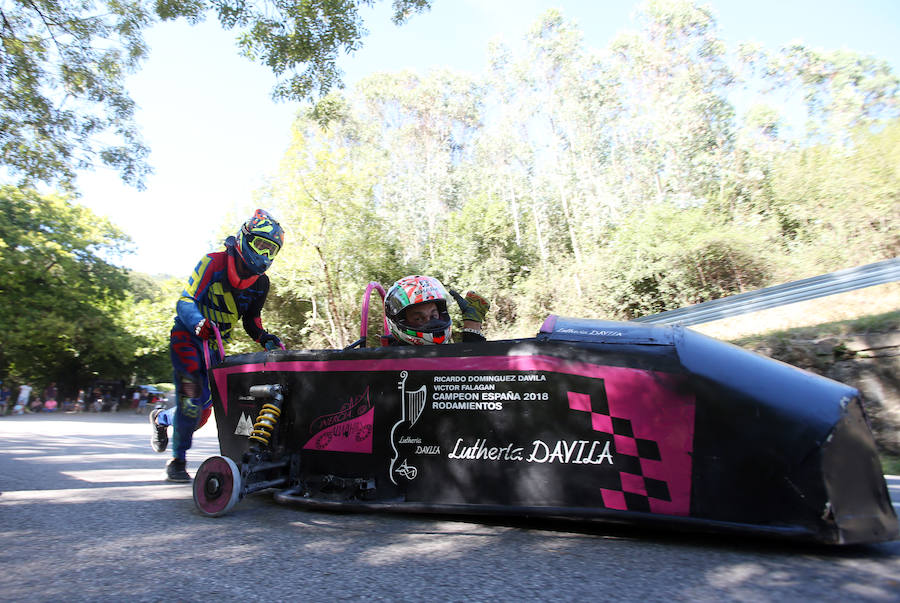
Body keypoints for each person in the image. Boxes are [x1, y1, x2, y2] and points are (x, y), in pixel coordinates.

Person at [150, 209, 285, 482]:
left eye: (272, 250)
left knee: (205, 410)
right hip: (187, 339)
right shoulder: (213, 262)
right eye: (261, 245)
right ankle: (178, 462)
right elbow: (185, 301)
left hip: (214, 346)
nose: (265, 255)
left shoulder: (261, 283)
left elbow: (252, 321)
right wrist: (198, 322)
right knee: (192, 401)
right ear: (244, 238)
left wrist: (264, 337)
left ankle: (161, 419)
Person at [382, 275, 490, 345]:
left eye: (434, 316)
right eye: (418, 318)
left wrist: (472, 326)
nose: (432, 322)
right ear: (399, 320)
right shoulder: (391, 361)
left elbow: (471, 370)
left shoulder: (444, 353)